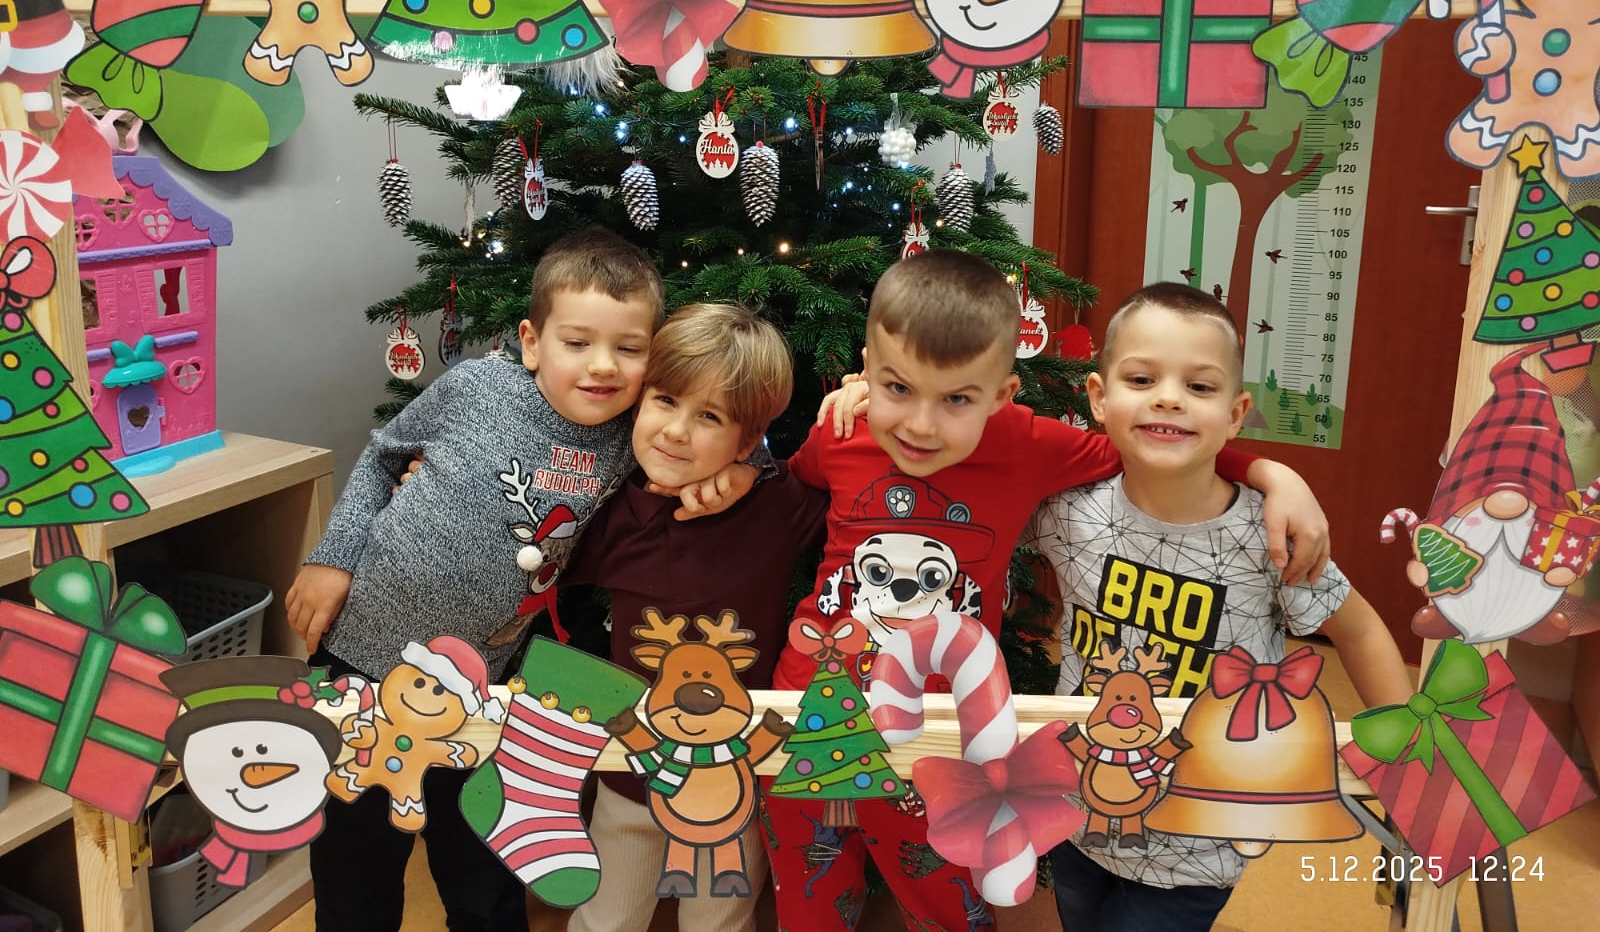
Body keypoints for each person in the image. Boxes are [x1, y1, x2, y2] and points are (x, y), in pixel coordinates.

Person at [762, 250, 1331, 932]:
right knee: (810, 904)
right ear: (868, 369)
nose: (919, 424)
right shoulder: (841, 432)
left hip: (945, 734)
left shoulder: (1028, 444)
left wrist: (1272, 473)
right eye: (898, 388)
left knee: (946, 905)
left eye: (957, 399)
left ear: (1002, 395)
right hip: (812, 710)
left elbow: (1154, 446)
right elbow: (779, 497)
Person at [283, 228, 745, 932]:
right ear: (532, 342)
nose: (602, 366)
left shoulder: (636, 435)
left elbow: (722, 424)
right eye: (577, 342)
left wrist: (741, 470)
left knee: (483, 875)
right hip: (361, 663)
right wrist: (332, 556)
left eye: (628, 349)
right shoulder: (476, 388)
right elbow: (383, 454)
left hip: (485, 690)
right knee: (354, 875)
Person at [1024, 282, 1413, 932]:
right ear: (1098, 397)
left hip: (1203, 837)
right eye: (1142, 378)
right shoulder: (1066, 512)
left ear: (1235, 415)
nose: (1169, 397)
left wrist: (1412, 756)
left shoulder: (1269, 534)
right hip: (1078, 810)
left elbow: (1361, 630)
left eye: (1199, 387)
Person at [561, 302, 829, 932]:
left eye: (709, 416)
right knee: (606, 921)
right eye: (664, 400)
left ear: (746, 439)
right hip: (629, 777)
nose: (676, 432)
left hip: (731, 781)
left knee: (720, 922)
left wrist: (852, 400)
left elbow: (860, 479)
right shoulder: (608, 514)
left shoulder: (776, 506)